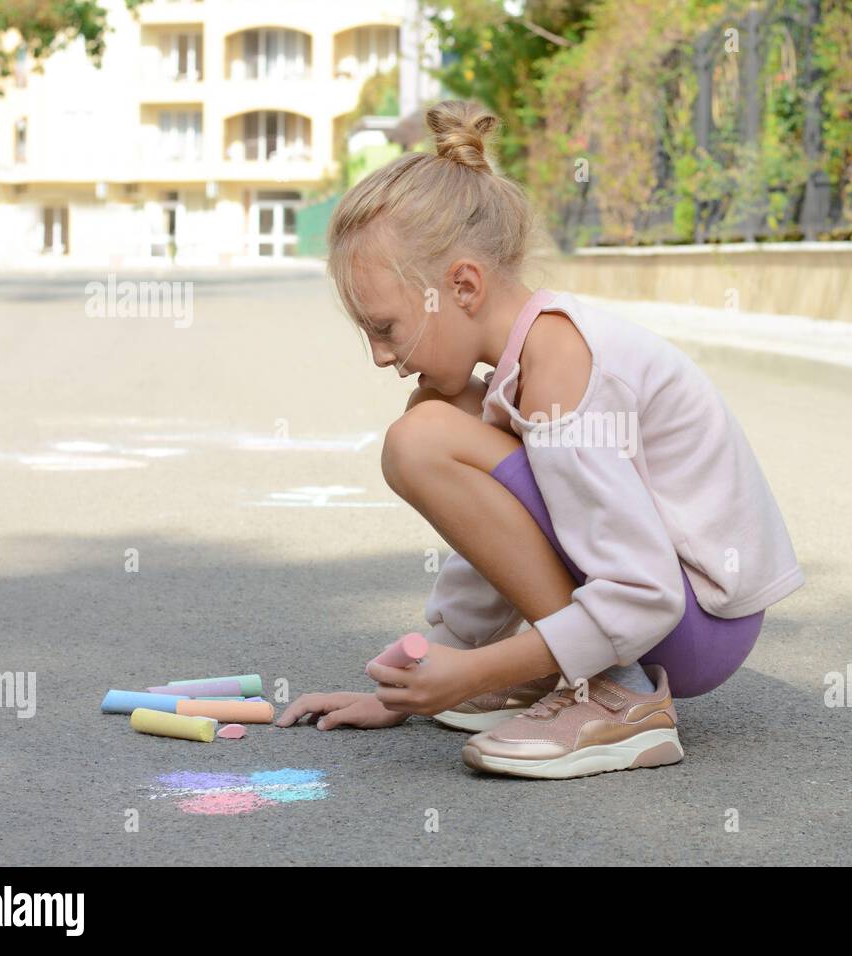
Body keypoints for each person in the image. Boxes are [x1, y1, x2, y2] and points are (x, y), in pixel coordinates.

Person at [276, 99, 805, 780]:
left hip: (693, 623)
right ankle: (572, 672)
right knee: (435, 418)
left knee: (423, 436)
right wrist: (417, 682)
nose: (381, 355)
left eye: (385, 327)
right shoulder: (523, 363)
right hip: (671, 610)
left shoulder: (560, 366)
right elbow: (510, 531)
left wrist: (471, 670)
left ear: (462, 285)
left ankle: (621, 697)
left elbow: (646, 594)